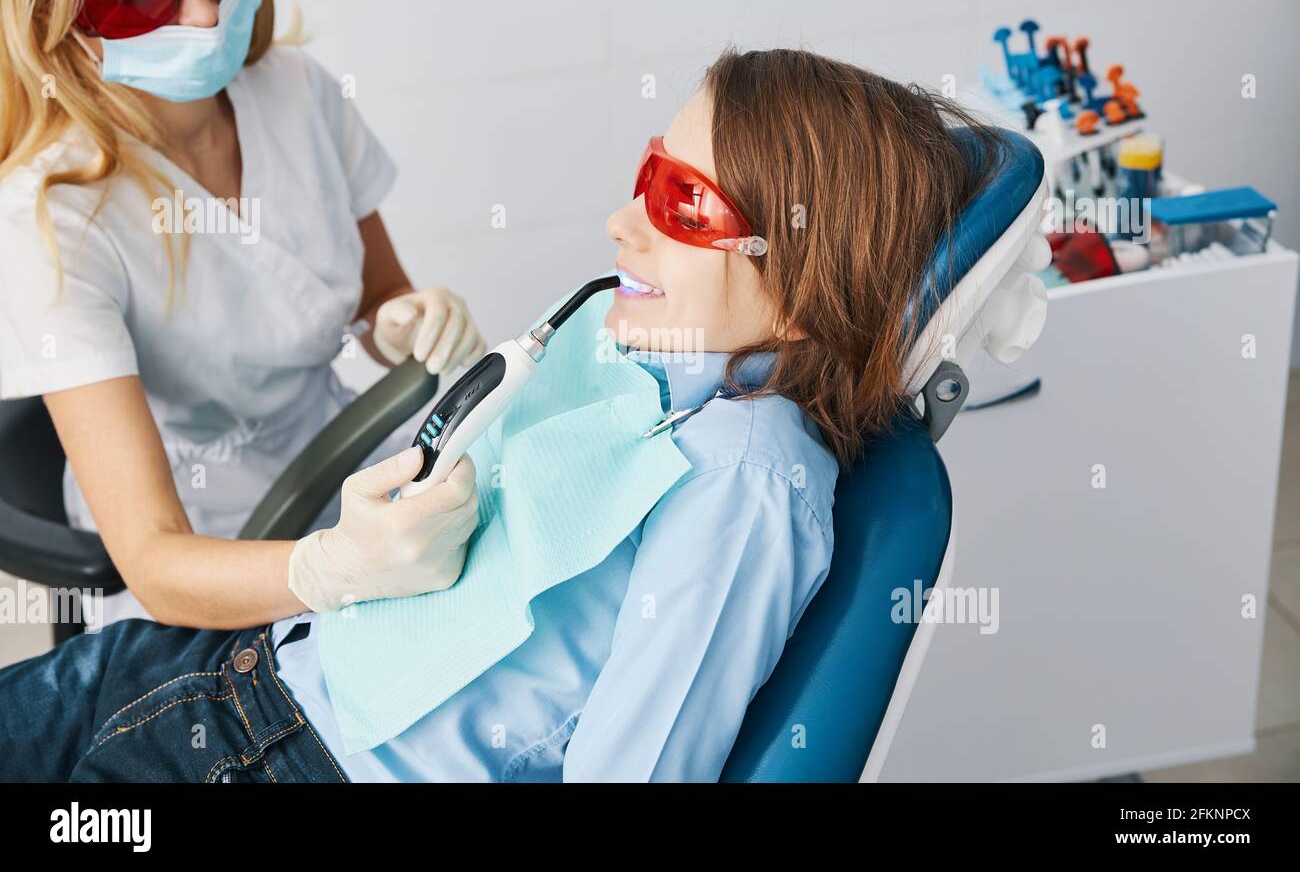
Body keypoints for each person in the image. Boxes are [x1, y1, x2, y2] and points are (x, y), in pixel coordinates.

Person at [0, 47, 1000, 782]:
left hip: (286, 755)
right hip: (238, 665)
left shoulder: (746, 474)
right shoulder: (631, 355)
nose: (621, 222)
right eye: (649, 176)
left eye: (684, 207)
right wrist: (343, 562)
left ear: (807, 288)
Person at [0, 0, 484, 629]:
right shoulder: (50, 219)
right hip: (208, 567)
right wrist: (331, 568)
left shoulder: (299, 94)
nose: (201, 11)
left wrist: (402, 322)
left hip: (344, 467)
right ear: (53, 6)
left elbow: (380, 299)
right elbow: (156, 558)